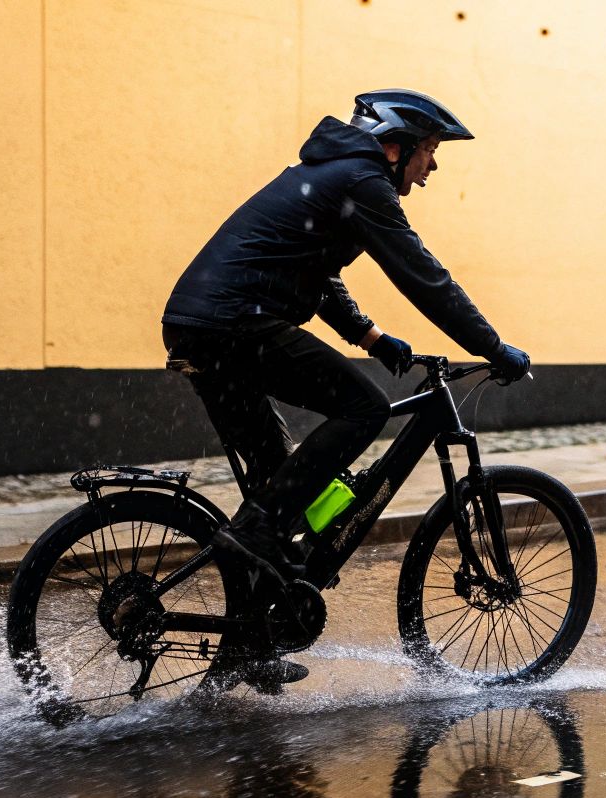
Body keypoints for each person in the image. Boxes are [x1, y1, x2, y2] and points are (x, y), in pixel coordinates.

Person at [161, 89, 529, 683]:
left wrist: (374, 338)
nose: (432, 166)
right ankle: (254, 535)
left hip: (199, 326)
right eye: (429, 151)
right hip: (236, 323)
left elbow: (318, 273)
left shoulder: (334, 176)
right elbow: (423, 277)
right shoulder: (363, 180)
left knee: (277, 487)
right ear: (397, 145)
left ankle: (247, 645)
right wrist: (492, 347)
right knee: (362, 408)